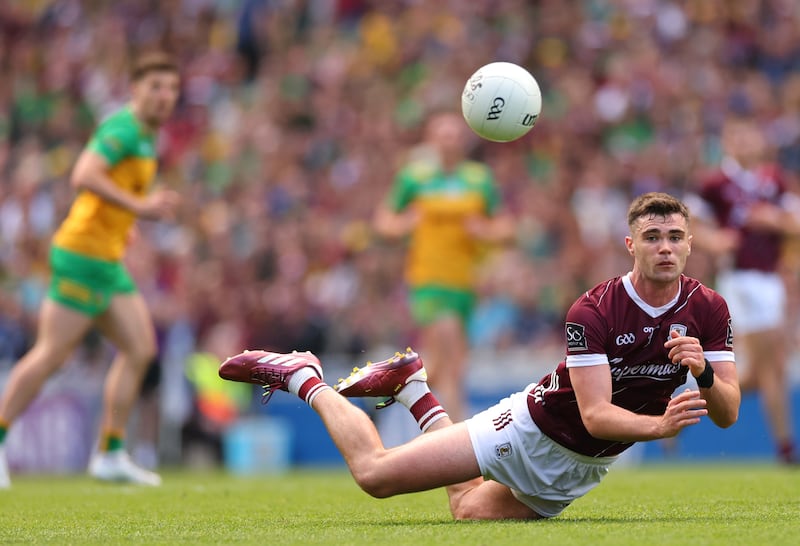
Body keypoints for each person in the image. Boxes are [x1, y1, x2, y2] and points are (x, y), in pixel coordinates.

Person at [218, 192, 740, 519]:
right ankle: (306, 378)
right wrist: (660, 427)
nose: (665, 247)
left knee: (467, 509)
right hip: (527, 430)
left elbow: (728, 413)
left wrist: (704, 373)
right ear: (631, 244)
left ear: (691, 244)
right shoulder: (595, 309)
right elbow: (596, 416)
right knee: (375, 477)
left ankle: (413, 389)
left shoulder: (710, 309)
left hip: (582, 471)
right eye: (653, 237)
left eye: (675, 237)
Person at [0, 51, 181, 488]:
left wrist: (126, 225)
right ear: (135, 89)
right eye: (155, 86)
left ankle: (110, 454)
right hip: (82, 257)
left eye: (171, 88)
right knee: (51, 354)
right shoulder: (121, 129)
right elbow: (83, 174)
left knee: (140, 349)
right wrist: (140, 207)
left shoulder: (146, 137)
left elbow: (105, 195)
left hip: (106, 260)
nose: (164, 96)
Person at [373, 111, 514, 422]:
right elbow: (384, 222)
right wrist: (406, 223)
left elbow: (505, 227)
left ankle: (390, 394)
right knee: (451, 358)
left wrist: (484, 231)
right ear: (431, 140)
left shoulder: (479, 179)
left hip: (465, 283)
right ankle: (459, 438)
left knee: (443, 364)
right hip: (428, 279)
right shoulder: (414, 177)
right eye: (443, 135)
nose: (449, 141)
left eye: (455, 135)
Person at [687, 115, 799, 464]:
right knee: (772, 365)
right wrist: (714, 240)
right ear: (728, 143)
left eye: (751, 135)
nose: (747, 142)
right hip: (741, 279)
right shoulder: (715, 182)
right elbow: (688, 221)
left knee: (765, 370)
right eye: (739, 136)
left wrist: (774, 220)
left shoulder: (773, 179)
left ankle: (683, 406)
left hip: (771, 279)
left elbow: (794, 223)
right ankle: (785, 448)